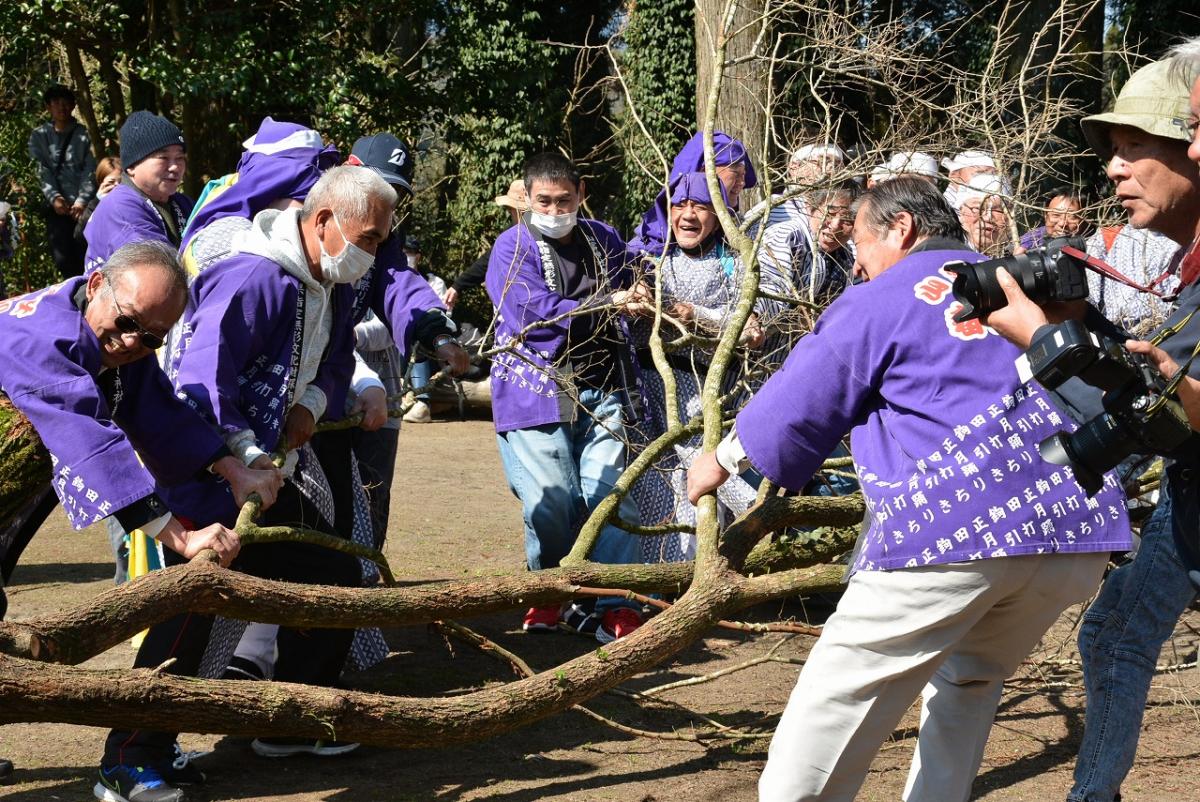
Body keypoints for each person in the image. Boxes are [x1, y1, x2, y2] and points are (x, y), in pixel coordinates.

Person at [687, 176, 1131, 802]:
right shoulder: (1020, 281)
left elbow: (802, 397)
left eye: (861, 244)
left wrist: (724, 460)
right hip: (1074, 527)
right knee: (969, 681)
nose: (857, 263)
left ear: (902, 229)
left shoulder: (885, 295)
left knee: (836, 699)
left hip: (953, 529)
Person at [97, 166, 396, 798]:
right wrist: (242, 458)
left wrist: (309, 406)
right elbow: (201, 384)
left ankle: (293, 720)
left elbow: (337, 358)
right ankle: (129, 757)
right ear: (323, 223)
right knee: (192, 608)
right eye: (367, 238)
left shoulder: (333, 283)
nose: (372, 253)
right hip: (209, 475)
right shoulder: (254, 277)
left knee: (329, 574)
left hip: (265, 477)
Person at [982, 49, 1200, 802]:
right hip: (1189, 499)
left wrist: (1042, 341)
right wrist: (1076, 324)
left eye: (1134, 147)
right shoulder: (1189, 265)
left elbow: (1171, 398)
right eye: (1111, 151)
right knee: (1112, 634)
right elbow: (1161, 384)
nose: (1113, 169)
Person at [0, 241, 281, 798]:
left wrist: (233, 469)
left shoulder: (119, 337)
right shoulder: (39, 337)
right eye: (127, 324)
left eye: (151, 337)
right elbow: (90, 445)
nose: (132, 343)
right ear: (98, 282)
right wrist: (179, 535)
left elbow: (158, 413)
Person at [486, 152, 651, 642]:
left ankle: (618, 603)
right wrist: (608, 302)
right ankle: (550, 592)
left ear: (581, 193)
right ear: (528, 197)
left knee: (610, 498)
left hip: (604, 389)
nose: (555, 210)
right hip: (537, 390)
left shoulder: (603, 238)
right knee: (549, 501)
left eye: (564, 200)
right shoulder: (511, 247)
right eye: (545, 201)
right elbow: (534, 315)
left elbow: (639, 271)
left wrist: (644, 290)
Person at [632, 172, 765, 562]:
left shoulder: (736, 261)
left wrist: (698, 315)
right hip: (648, 393)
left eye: (701, 206)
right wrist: (633, 298)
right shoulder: (647, 257)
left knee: (703, 481)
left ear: (719, 212)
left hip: (703, 395)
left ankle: (708, 567)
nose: (688, 215)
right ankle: (655, 584)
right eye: (680, 205)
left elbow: (751, 329)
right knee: (655, 487)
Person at [83, 111, 192, 275]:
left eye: (180, 158)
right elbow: (158, 270)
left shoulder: (182, 203)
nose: (175, 167)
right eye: (163, 157)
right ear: (131, 167)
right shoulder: (119, 208)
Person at [629, 131, 757, 256]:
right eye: (736, 174)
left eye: (743, 175)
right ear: (705, 171)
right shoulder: (645, 253)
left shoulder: (743, 235)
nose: (742, 183)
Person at [28, 83, 95, 278]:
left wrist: (82, 201)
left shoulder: (84, 134)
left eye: (66, 102)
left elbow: (90, 169)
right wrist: (54, 197)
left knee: (87, 254)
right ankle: (74, 299)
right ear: (48, 107)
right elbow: (41, 169)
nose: (61, 107)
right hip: (56, 208)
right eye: (56, 102)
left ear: (73, 105)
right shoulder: (39, 136)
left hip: (83, 208)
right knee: (63, 259)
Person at [442, 178, 529, 312]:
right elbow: (490, 259)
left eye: (513, 209)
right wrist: (458, 285)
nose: (511, 213)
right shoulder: (512, 234)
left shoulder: (544, 236)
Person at [957, 172, 1014, 254]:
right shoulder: (948, 254)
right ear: (962, 212)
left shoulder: (1016, 256)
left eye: (998, 210)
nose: (987, 218)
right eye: (977, 208)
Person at [1017, 187, 1087, 250]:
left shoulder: (1093, 245)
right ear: (1046, 216)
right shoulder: (1030, 240)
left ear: (1084, 219)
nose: (1062, 224)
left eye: (1072, 216)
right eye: (1056, 215)